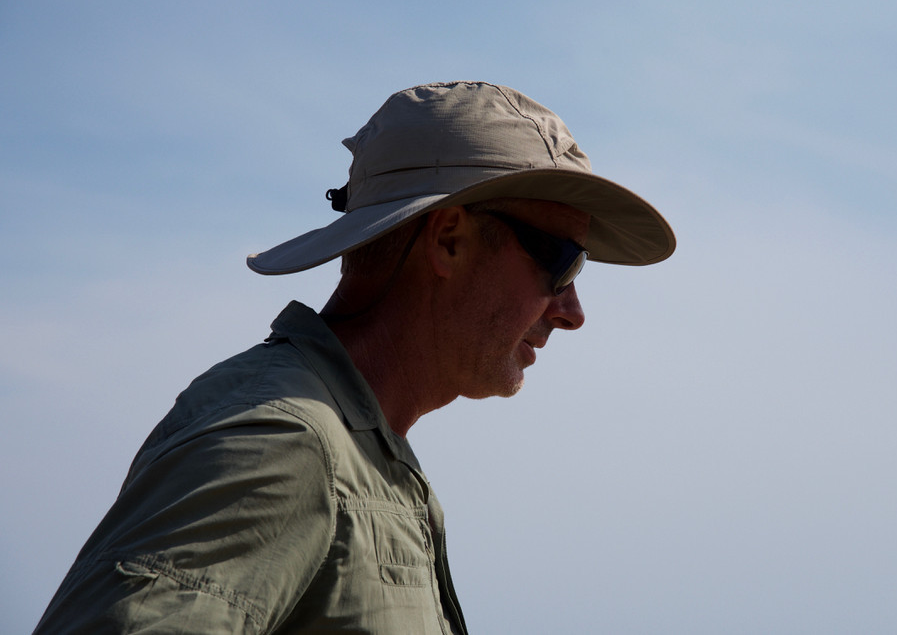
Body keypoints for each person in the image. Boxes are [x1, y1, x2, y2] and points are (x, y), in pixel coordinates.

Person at [34, 81, 676, 633]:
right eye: (562, 264)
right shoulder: (283, 442)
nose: (571, 312)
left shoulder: (356, 451)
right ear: (449, 240)